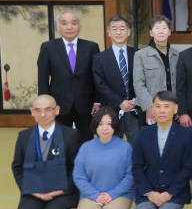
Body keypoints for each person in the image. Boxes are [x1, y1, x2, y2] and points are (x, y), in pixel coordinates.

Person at [11, 95, 80, 209]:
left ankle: (59, 208)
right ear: (32, 112)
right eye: (38, 110)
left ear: (57, 110)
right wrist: (30, 190)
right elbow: (17, 167)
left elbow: (76, 168)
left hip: (61, 190)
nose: (43, 114)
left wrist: (62, 190)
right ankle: (37, 206)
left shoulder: (70, 135)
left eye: (48, 109)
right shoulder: (24, 136)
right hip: (34, 190)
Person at [131, 91, 192, 209]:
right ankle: (152, 204)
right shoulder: (143, 134)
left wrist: (169, 193)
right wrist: (149, 192)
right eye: (158, 106)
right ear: (152, 109)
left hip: (174, 191)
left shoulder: (186, 135)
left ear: (175, 109)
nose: (162, 111)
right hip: (149, 189)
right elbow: (137, 167)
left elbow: (187, 168)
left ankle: (169, 206)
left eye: (167, 106)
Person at [37, 10, 100, 143]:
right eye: (64, 23)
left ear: (80, 27)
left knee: (86, 141)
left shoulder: (91, 47)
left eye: (73, 23)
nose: (69, 27)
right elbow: (42, 79)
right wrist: (45, 105)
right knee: (60, 142)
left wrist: (97, 101)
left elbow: (97, 77)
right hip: (58, 104)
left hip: (86, 105)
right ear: (57, 27)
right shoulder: (48, 48)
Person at [72, 107, 134, 209]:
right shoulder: (86, 147)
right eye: (101, 124)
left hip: (119, 194)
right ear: (95, 125)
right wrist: (95, 195)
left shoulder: (125, 147)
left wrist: (112, 194)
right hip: (91, 194)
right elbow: (79, 176)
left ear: (115, 126)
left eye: (109, 124)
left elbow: (130, 175)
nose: (105, 128)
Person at [92, 15, 139, 143]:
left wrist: (135, 100)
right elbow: (100, 84)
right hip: (111, 110)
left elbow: (143, 80)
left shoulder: (138, 54)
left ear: (129, 32)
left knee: (137, 147)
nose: (118, 32)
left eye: (122, 28)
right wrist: (120, 102)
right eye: (114, 29)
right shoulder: (99, 58)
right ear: (108, 32)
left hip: (135, 110)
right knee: (112, 145)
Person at [133, 15, 180, 126]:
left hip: (172, 108)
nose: (161, 31)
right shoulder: (140, 55)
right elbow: (138, 84)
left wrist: (179, 107)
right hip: (150, 109)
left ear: (169, 32)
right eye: (157, 28)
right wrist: (150, 107)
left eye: (164, 28)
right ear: (151, 33)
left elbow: (181, 83)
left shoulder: (177, 55)